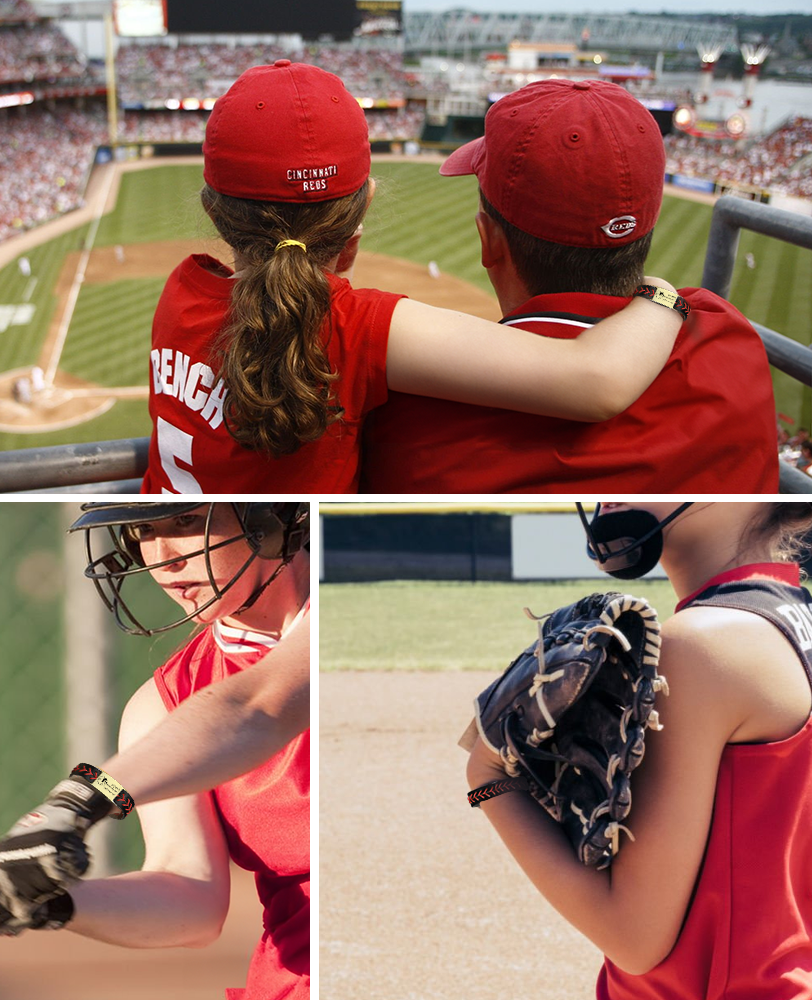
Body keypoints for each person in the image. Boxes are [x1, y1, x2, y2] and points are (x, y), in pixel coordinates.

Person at [142, 61, 685, 493]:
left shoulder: (181, 293)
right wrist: (664, 295)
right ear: (363, 209)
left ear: (214, 212)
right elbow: (597, 381)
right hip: (276, 582)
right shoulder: (358, 326)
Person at [0, 501, 311, 1000]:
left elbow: (258, 707)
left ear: (271, 521)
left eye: (186, 521)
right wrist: (50, 900)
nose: (163, 557)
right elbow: (191, 900)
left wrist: (75, 803)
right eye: (144, 531)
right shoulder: (166, 702)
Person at [362, 80, 780, 493]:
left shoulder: (412, 422)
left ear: (488, 241)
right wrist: (660, 293)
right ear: (648, 227)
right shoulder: (731, 338)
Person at [465, 501, 812, 998]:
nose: (609, 494)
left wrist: (487, 780)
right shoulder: (794, 617)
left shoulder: (702, 644)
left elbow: (632, 937)